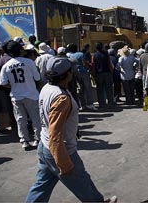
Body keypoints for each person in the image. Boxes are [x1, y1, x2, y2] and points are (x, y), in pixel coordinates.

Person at [25, 57, 117, 203]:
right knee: (82, 183)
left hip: (44, 146)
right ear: (67, 74)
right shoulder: (61, 98)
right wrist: (64, 162)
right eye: (71, 71)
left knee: (42, 186)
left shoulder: (46, 88)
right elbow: (55, 133)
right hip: (59, 150)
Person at [0, 41, 41, 149]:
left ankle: (24, 141)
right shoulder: (29, 62)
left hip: (16, 96)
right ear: (20, 50)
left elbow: (3, 82)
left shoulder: (7, 65)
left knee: (20, 119)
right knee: (35, 118)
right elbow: (37, 78)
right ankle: (38, 139)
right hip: (31, 94)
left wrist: (12, 85)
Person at [68, 44, 97, 111]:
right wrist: (89, 69)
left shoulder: (71, 56)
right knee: (88, 88)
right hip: (84, 72)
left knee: (81, 89)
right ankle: (90, 104)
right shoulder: (81, 54)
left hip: (76, 73)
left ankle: (82, 105)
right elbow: (84, 63)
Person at [92, 42, 114, 109]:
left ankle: (101, 103)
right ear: (102, 47)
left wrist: (93, 74)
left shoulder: (94, 55)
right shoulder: (106, 54)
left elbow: (93, 65)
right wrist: (111, 71)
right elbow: (109, 63)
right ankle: (110, 103)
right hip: (107, 73)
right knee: (109, 89)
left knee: (100, 89)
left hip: (99, 74)